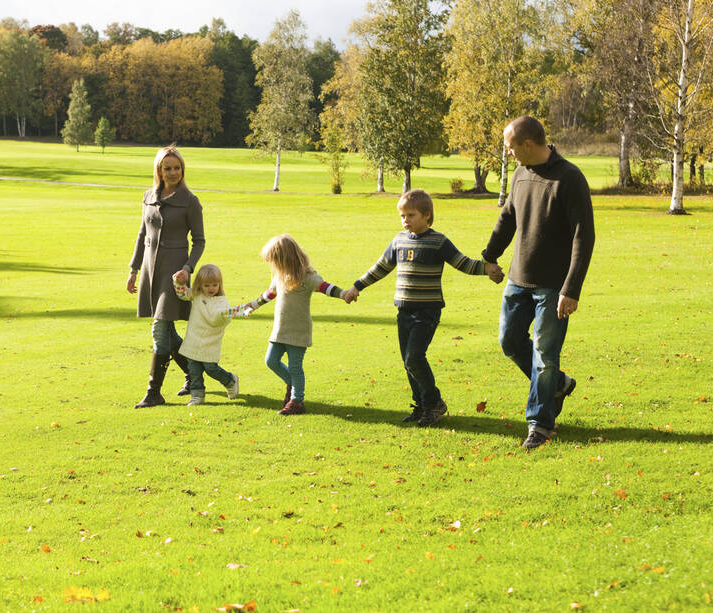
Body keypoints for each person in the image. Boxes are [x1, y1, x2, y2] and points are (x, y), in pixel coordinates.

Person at [342, 189, 504, 426]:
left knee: (415, 357)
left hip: (427, 311)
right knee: (408, 362)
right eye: (402, 216)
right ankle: (421, 406)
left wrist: (486, 269)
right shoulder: (398, 240)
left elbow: (463, 263)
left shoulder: (438, 241)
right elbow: (380, 267)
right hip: (404, 311)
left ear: (427, 215)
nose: (405, 220)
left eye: (411, 215)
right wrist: (357, 286)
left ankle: (434, 404)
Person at [482, 116, 595, 449]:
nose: (509, 154)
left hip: (552, 287)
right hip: (518, 280)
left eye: (510, 147)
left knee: (545, 356)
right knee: (509, 340)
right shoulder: (520, 174)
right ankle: (558, 384)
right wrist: (490, 254)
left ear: (527, 145)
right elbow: (507, 218)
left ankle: (540, 424)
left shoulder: (569, 178)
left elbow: (583, 237)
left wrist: (571, 289)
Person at [127, 145, 205, 408]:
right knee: (168, 333)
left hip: (174, 275)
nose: (173, 172)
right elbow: (142, 236)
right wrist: (133, 270)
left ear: (183, 169)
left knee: (160, 331)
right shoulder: (149, 196)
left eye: (177, 167)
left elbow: (200, 242)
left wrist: (187, 268)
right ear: (159, 170)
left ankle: (153, 392)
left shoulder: (190, 201)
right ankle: (195, 377)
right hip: (151, 272)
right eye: (167, 168)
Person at [243, 234, 348, 415]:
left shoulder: (307, 277)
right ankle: (292, 386)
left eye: (274, 261)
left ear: (284, 259)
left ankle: (297, 401)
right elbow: (269, 294)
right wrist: (252, 306)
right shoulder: (280, 277)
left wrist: (344, 294)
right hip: (280, 330)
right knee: (271, 361)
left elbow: (325, 287)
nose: (273, 266)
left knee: (295, 366)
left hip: (298, 331)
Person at [172, 264, 245, 406]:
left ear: (219, 284)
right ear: (200, 285)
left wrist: (225, 314)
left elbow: (218, 318)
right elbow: (182, 294)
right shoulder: (196, 295)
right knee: (193, 370)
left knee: (211, 368)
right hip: (193, 340)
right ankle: (197, 396)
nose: (211, 288)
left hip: (210, 342)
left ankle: (230, 380)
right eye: (206, 285)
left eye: (214, 285)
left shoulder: (221, 301)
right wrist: (178, 283)